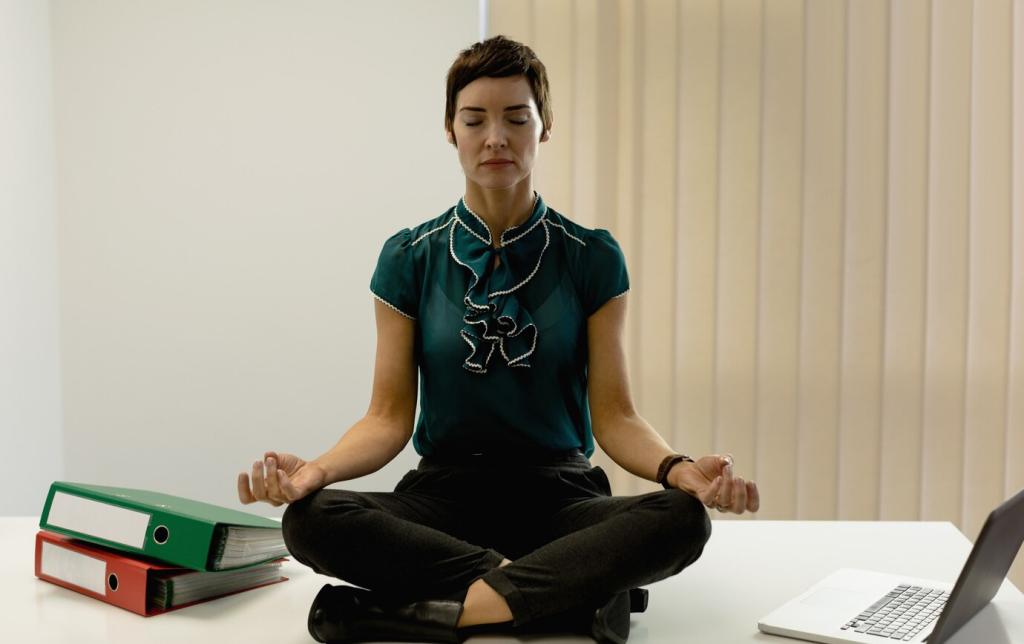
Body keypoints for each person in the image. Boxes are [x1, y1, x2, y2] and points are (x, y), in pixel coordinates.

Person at [237, 35, 759, 644]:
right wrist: (315, 472)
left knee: (680, 519)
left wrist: (678, 469)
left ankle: (416, 613)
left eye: (516, 118)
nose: (495, 138)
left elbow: (616, 417)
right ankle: (569, 596)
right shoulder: (409, 257)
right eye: (474, 120)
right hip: (444, 501)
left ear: (544, 127)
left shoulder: (591, 256)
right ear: (450, 131)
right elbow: (386, 418)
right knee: (312, 519)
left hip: (561, 499)